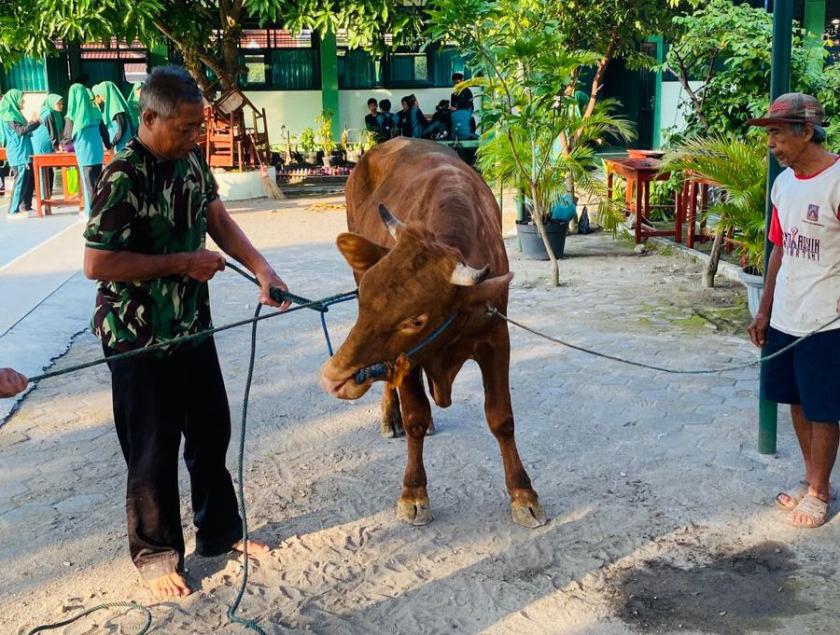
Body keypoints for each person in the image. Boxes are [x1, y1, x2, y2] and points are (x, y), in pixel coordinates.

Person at [82, 66, 291, 599]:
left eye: (199, 127)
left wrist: (263, 269)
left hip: (191, 325)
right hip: (138, 336)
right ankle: (156, 553)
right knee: (151, 449)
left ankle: (220, 533)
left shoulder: (192, 159)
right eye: (184, 127)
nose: (194, 136)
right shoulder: (123, 175)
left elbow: (217, 219)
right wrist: (183, 262)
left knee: (210, 432)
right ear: (149, 118)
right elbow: (97, 262)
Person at [747, 93, 840, 529]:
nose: (772, 143)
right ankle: (811, 480)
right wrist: (764, 311)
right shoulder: (783, 185)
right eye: (769, 134)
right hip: (787, 312)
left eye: (778, 133)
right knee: (797, 402)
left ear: (806, 131)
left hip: (827, 319)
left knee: (823, 407)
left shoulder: (837, 180)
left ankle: (820, 493)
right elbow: (778, 252)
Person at [63, 83, 111, 218]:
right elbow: (104, 132)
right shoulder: (95, 111)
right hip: (97, 153)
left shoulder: (72, 115)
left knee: (88, 185)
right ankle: (100, 209)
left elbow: (67, 139)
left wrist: (66, 146)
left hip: (84, 154)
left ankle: (91, 214)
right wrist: (109, 146)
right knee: (98, 183)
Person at [0, 89, 40, 218]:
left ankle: (25, 206)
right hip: (18, 153)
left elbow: (24, 128)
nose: (23, 101)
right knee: (20, 181)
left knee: (28, 180)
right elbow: (20, 131)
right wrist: (36, 123)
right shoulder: (9, 116)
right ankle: (13, 210)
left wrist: (32, 123)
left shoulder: (17, 115)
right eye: (21, 99)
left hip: (25, 150)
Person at [31, 94, 64, 199]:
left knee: (49, 169)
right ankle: (43, 198)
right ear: (51, 103)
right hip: (42, 144)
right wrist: (56, 147)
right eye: (58, 103)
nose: (61, 105)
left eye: (61, 103)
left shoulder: (55, 113)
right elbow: (52, 133)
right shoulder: (48, 114)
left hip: (49, 144)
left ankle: (47, 196)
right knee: (43, 170)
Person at [93, 81, 137, 152]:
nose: (98, 97)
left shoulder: (117, 109)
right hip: (119, 149)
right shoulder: (110, 109)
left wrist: (112, 144)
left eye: (100, 94)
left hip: (124, 149)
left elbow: (122, 128)